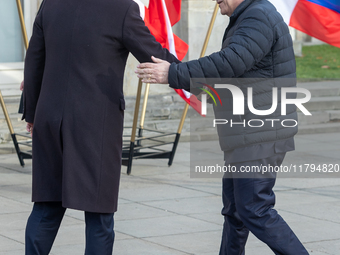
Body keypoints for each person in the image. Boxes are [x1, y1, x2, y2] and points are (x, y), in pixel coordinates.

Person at [136, 0, 309, 254]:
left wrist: (172, 74)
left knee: (253, 210)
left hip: (259, 133)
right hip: (248, 133)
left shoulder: (257, 17)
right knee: (236, 212)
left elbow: (228, 64)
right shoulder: (249, 15)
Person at [22, 0, 179, 254]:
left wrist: (31, 113)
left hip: (49, 119)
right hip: (95, 126)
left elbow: (34, 60)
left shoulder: (50, 4)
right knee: (99, 216)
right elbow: (154, 55)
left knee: (46, 207)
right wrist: (196, 74)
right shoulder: (122, 8)